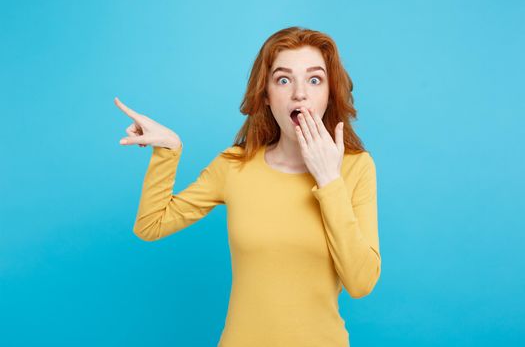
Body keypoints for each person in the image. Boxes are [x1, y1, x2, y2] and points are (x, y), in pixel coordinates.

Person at [116, 26, 381, 347]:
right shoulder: (235, 166)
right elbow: (150, 225)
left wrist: (329, 181)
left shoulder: (355, 167)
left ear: (329, 92)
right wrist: (168, 152)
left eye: (314, 79)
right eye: (284, 79)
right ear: (266, 95)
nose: (300, 93)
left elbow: (361, 283)